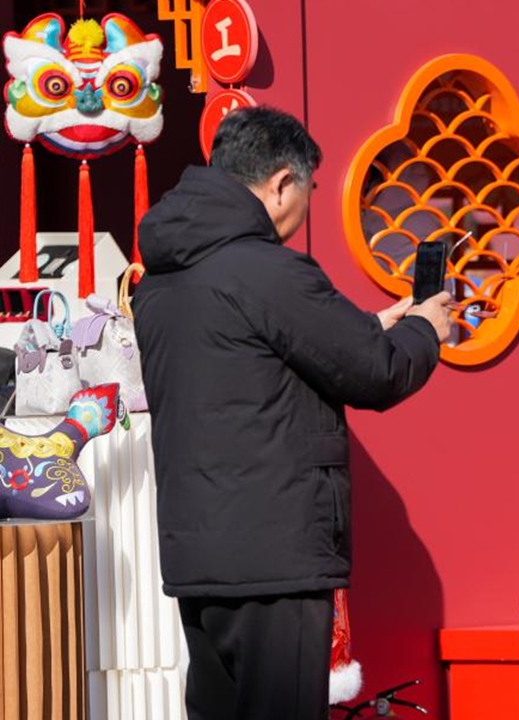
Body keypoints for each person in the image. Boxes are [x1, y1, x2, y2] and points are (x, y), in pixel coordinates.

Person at [134, 106, 455, 720]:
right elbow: (378, 374)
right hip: (274, 558)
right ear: (282, 183)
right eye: (307, 188)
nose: (306, 205)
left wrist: (371, 328)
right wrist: (425, 328)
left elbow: (252, 360)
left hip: (199, 555)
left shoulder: (166, 278)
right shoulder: (268, 270)